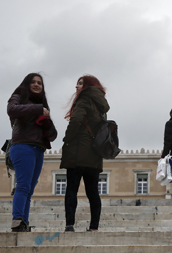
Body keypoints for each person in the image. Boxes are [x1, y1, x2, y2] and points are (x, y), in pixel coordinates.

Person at [7, 73, 57, 232]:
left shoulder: (42, 105)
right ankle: (17, 219)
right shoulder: (19, 96)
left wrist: (47, 123)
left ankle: (24, 222)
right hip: (23, 146)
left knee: (29, 189)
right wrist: (37, 110)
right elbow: (11, 109)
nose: (37, 85)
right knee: (22, 186)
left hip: (38, 149)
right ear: (27, 84)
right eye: (33, 82)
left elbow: (53, 135)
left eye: (40, 83)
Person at [60, 75, 109, 232]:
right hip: (95, 155)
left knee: (72, 189)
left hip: (77, 153)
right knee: (93, 192)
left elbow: (75, 121)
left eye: (80, 83)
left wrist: (67, 139)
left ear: (88, 86)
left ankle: (69, 225)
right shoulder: (101, 105)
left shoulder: (84, 99)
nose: (76, 87)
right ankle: (94, 227)